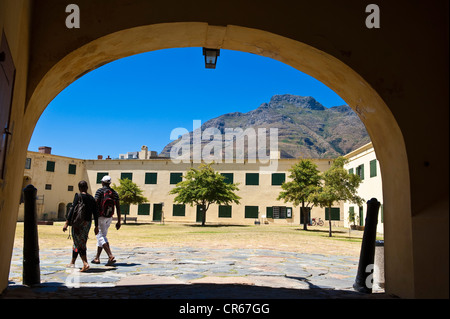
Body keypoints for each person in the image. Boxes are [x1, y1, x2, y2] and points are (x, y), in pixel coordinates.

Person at [63, 180, 99, 272]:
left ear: (79, 188)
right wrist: (96, 226)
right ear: (87, 187)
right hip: (87, 223)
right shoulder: (92, 198)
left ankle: (85, 263)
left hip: (78, 222)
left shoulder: (78, 196)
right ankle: (72, 262)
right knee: (78, 242)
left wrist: (67, 223)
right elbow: (95, 213)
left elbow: (72, 209)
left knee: (80, 243)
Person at [92, 175, 121, 266]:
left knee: (100, 236)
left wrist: (93, 216)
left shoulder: (100, 191)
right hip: (109, 217)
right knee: (102, 236)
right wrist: (119, 221)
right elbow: (118, 207)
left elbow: (95, 203)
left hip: (100, 216)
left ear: (103, 183)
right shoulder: (114, 192)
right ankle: (97, 258)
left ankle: (110, 255)